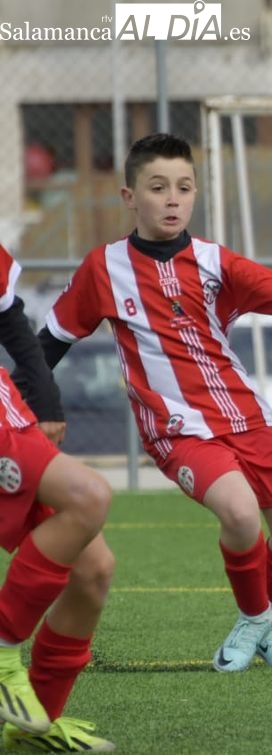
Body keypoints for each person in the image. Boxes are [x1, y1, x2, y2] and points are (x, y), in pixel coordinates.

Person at [34, 133, 272, 673]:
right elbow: (49, 343)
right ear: (130, 197)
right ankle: (254, 620)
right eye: (158, 187)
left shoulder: (215, 261)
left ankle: (264, 626)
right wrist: (20, 398)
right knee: (240, 513)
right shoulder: (104, 268)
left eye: (184, 188)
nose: (173, 199)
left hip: (244, 415)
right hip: (175, 428)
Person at [0, 244, 117, 750]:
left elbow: (9, 318)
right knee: (89, 496)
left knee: (92, 572)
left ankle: (31, 727)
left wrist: (44, 399)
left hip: (9, 411)